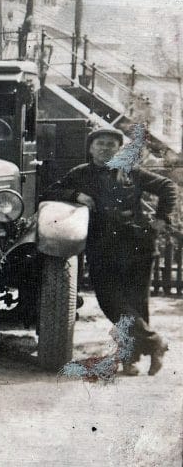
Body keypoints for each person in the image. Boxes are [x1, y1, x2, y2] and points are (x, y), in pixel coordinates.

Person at [43, 127, 176, 376]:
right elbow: (49, 191)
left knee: (136, 304)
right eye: (100, 144)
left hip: (137, 245)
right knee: (110, 301)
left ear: (119, 149)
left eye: (111, 145)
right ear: (91, 148)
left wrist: (162, 219)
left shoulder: (132, 173)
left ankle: (131, 359)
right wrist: (76, 194)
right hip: (102, 246)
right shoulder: (80, 174)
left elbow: (167, 186)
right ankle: (154, 341)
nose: (105, 148)